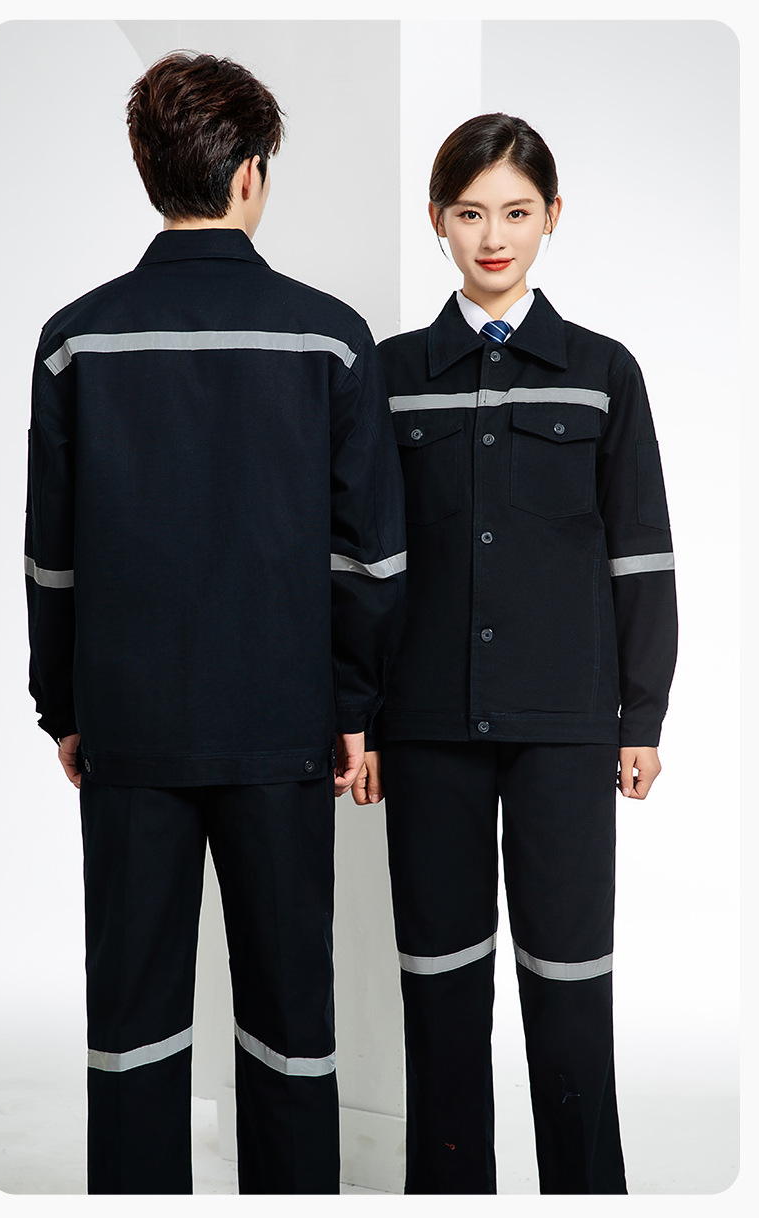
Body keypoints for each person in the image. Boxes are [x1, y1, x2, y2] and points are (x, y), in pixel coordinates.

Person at [25, 50, 406, 1196]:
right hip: (282, 730)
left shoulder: (77, 339)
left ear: (147, 167)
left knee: (132, 1024)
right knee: (291, 1023)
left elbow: (52, 559)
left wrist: (65, 707)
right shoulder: (329, 338)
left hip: (130, 731)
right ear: (252, 174)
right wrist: (354, 707)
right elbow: (370, 558)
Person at [353, 113, 677, 1194]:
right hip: (426, 726)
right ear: (436, 220)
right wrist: (361, 713)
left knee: (570, 985)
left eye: (517, 212)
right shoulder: (391, 374)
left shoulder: (602, 371)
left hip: (567, 729)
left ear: (552, 218)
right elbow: (363, 558)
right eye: (470, 213)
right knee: (440, 986)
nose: (493, 237)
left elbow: (641, 554)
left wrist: (641, 716)